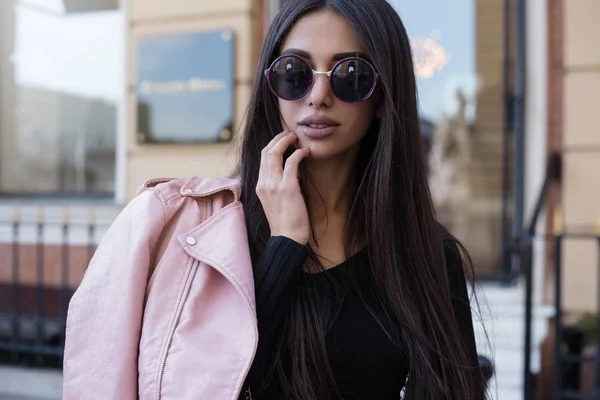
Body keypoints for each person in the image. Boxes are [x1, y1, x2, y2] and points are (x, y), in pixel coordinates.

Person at [63, 0, 486, 399]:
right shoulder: (203, 238)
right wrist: (285, 246)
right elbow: (225, 385)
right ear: (273, 88)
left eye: (350, 74)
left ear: (381, 96)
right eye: (294, 71)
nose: (318, 96)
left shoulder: (426, 255)